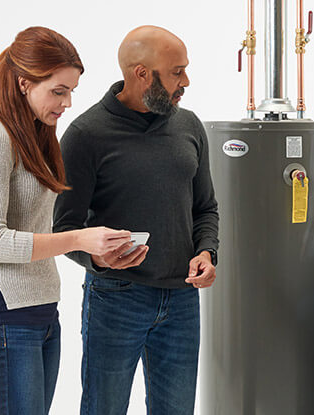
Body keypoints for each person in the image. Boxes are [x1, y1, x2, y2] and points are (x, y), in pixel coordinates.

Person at [53, 25, 219, 415]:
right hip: (115, 299)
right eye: (176, 72)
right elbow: (64, 229)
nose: (186, 81)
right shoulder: (85, 135)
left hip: (182, 300)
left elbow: (205, 208)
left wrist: (208, 253)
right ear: (141, 74)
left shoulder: (189, 126)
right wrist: (97, 259)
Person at [0, 27, 132, 415]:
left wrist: (102, 247)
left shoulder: (37, 136)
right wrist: (79, 240)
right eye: (58, 91)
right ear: (24, 83)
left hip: (40, 310)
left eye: (71, 91)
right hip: (5, 313)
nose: (68, 102)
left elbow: (39, 225)